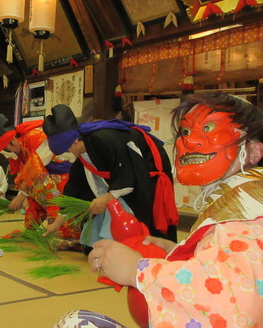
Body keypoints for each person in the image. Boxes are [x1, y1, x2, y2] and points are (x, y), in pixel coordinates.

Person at [54, 93, 263, 328]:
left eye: (209, 128)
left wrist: (139, 270)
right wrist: (177, 253)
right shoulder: (241, 200)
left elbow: (231, 307)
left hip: (138, 189)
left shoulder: (244, 218)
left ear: (254, 151)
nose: (191, 142)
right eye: (185, 132)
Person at [42, 104, 178, 252]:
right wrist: (57, 223)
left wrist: (106, 198)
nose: (65, 158)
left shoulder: (106, 139)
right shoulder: (82, 152)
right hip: (127, 175)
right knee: (91, 245)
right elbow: (75, 187)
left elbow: (128, 174)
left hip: (146, 169)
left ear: (75, 141)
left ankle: (147, 246)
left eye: (65, 151)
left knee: (141, 214)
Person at [0, 114, 81, 244]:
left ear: (11, 142)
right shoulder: (21, 146)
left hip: (63, 177)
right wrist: (23, 194)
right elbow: (30, 175)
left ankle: (65, 235)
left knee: (48, 195)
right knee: (34, 197)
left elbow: (36, 172)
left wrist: (21, 195)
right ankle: (31, 230)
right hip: (45, 178)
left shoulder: (34, 136)